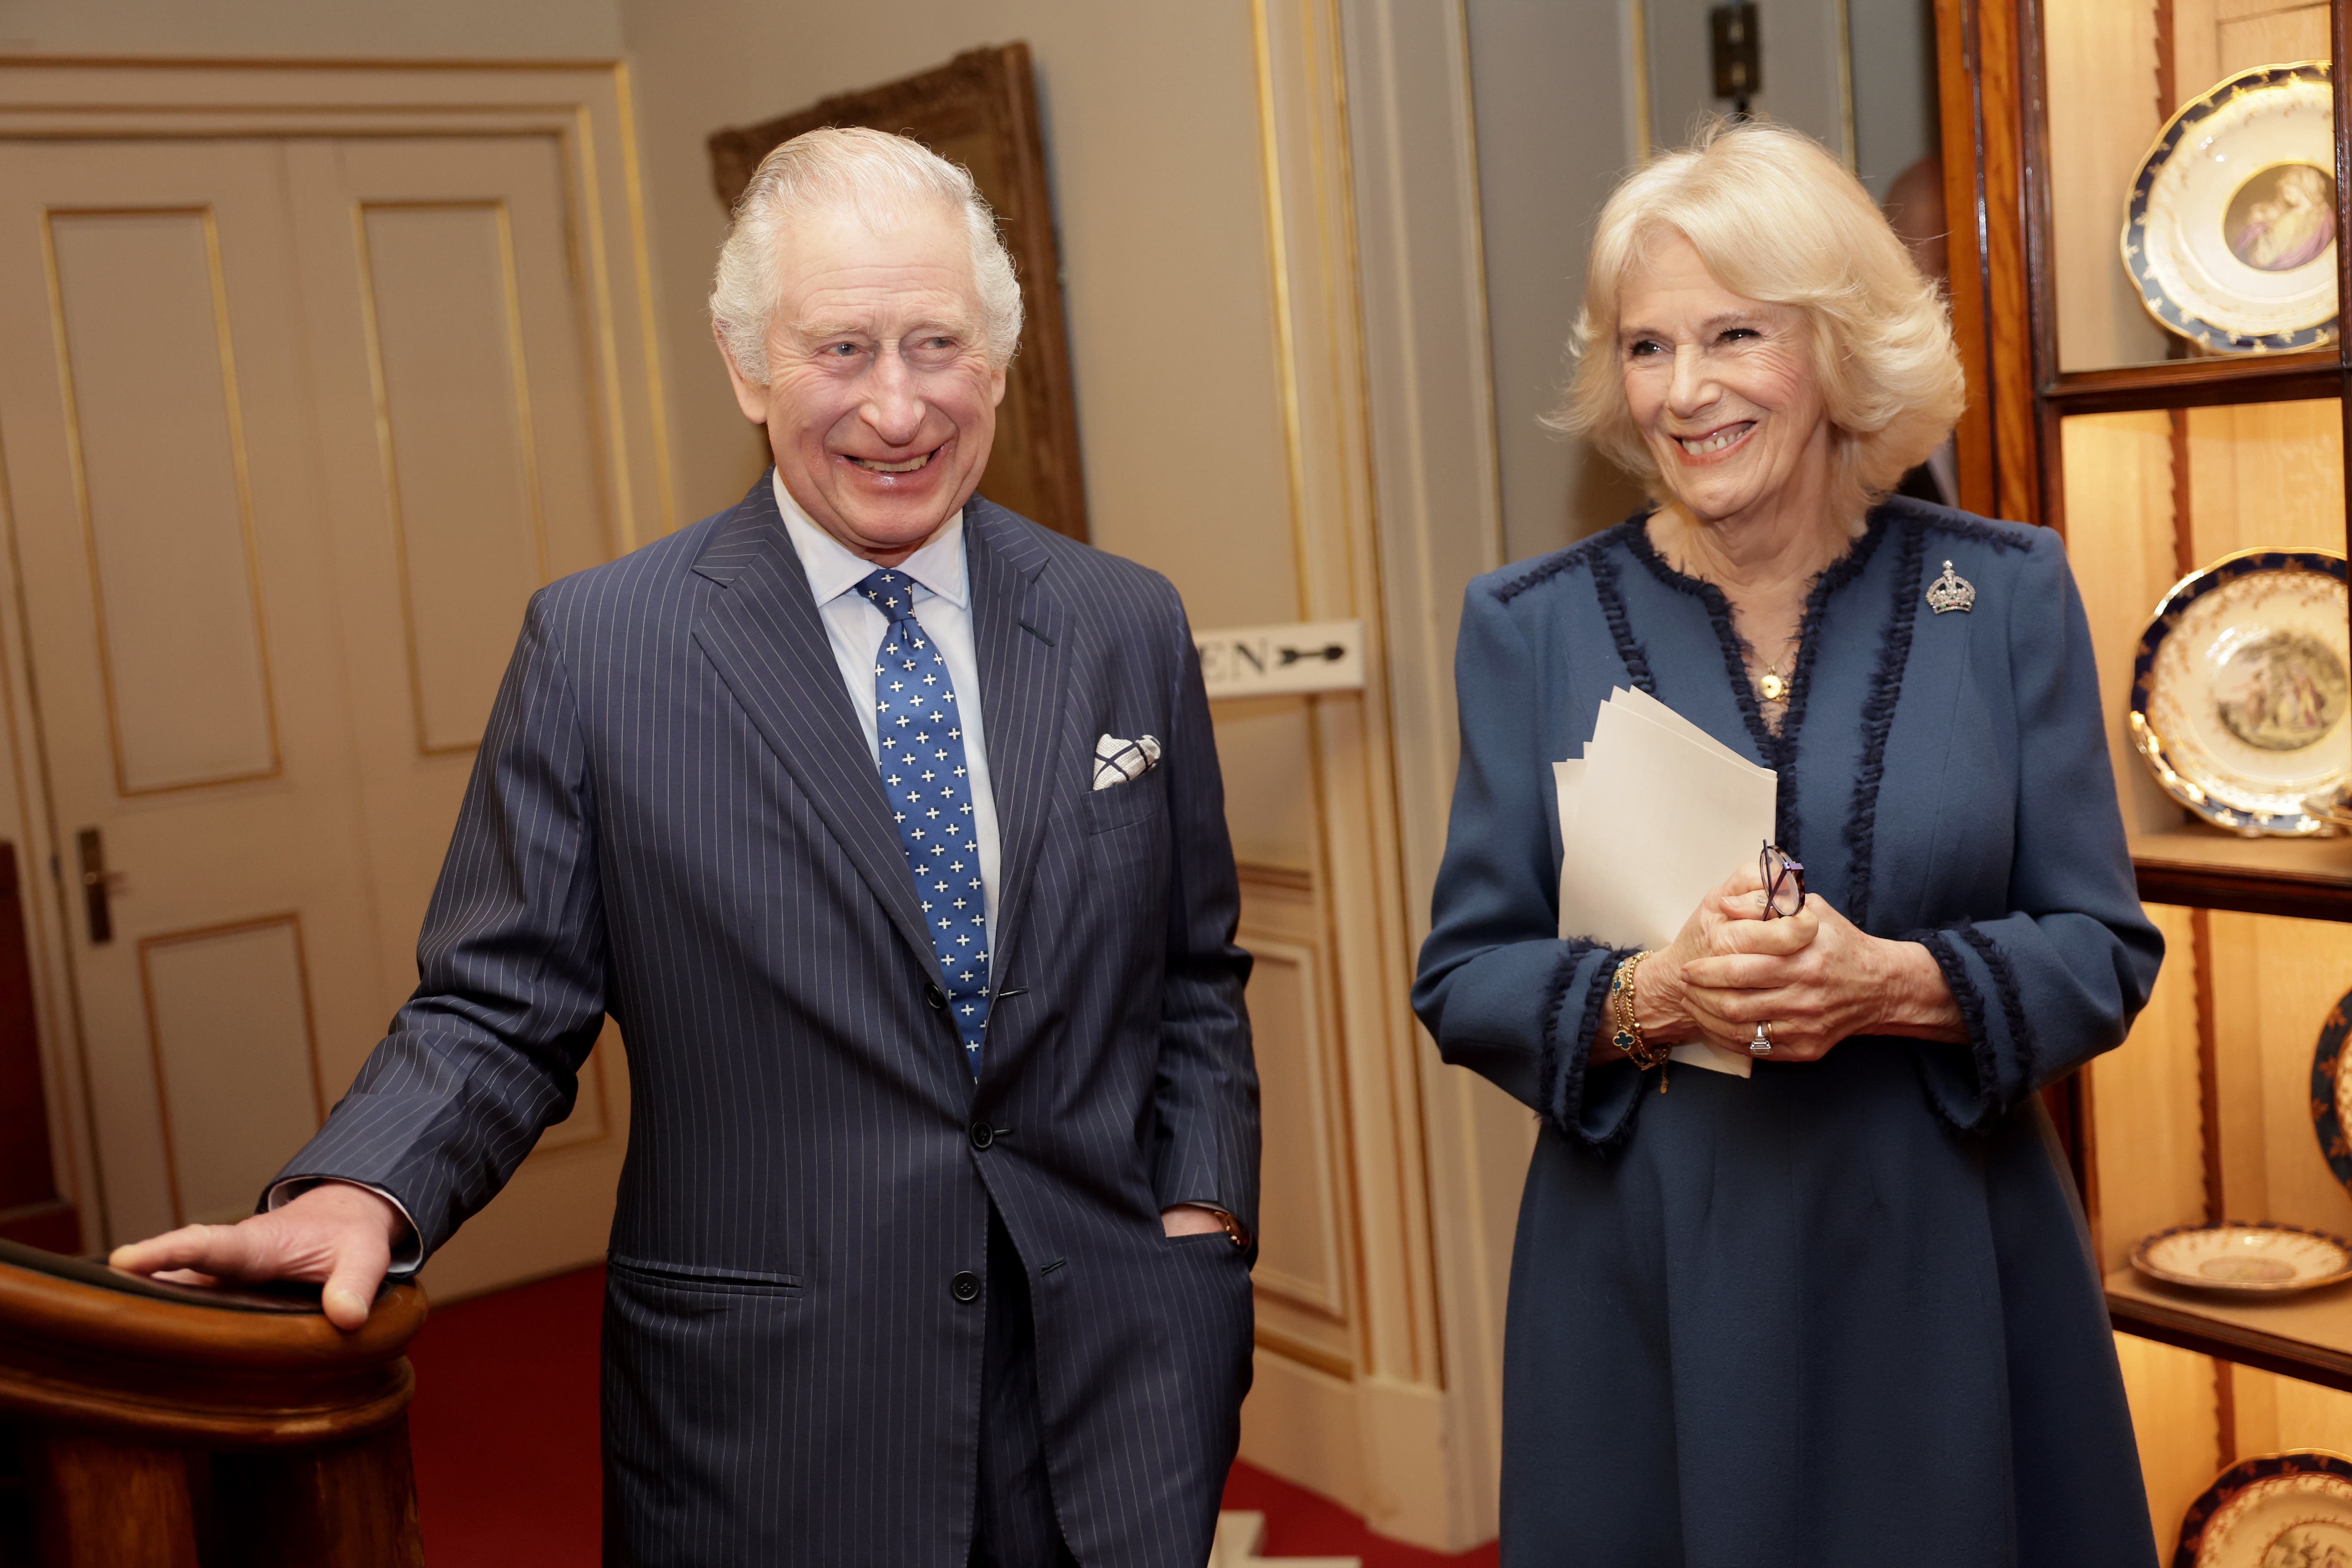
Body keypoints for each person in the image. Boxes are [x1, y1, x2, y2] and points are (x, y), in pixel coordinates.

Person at [112, 127, 1260, 1568]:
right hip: (770, 1421)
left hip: (1109, 1397)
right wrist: (364, 1186)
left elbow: (1191, 972)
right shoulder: (605, 649)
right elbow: (496, 1006)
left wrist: (1204, 1222)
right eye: (841, 347)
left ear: (999, 359)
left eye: (936, 345)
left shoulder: (1121, 620)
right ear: (746, 365)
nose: (897, 407)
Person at [1412, 120, 2163, 1566]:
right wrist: (1657, 996)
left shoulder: (2003, 594)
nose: (1683, 392)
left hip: (1944, 1259)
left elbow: (2103, 952)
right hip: (1648, 1270)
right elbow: (1467, 976)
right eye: (1646, 347)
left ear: (1836, 346)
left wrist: (1890, 983)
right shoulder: (1532, 626)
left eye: (1734, 336)